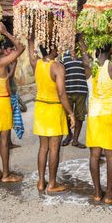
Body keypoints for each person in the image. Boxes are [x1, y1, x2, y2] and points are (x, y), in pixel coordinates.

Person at [79, 29, 112, 203]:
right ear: (111, 49)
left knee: (94, 155)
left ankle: (97, 192)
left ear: (96, 48)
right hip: (110, 116)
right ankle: (109, 195)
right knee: (111, 156)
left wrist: (82, 32)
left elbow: (82, 47)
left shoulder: (89, 65)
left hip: (95, 116)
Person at [28, 37, 75, 193]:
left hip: (41, 109)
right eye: (57, 47)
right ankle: (52, 183)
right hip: (54, 109)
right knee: (54, 149)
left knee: (43, 148)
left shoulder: (37, 63)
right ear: (53, 49)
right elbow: (62, 93)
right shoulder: (57, 67)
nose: (59, 49)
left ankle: (41, 182)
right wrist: (71, 113)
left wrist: (31, 38)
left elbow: (30, 51)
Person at [0, 22, 25, 182]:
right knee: (3, 141)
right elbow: (20, 48)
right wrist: (6, 33)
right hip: (1, 103)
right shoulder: (0, 63)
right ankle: (6, 174)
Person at [61, 45, 88, 149]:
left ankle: (75, 140)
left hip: (81, 90)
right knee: (67, 115)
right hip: (68, 90)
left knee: (79, 117)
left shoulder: (84, 55)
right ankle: (69, 135)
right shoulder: (64, 56)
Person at [4, 40, 24, 149]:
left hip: (11, 93)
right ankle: (6, 144)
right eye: (10, 49)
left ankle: (9, 143)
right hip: (8, 94)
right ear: (5, 50)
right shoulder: (5, 62)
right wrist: (14, 65)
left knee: (10, 121)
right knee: (8, 121)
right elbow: (9, 77)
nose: (12, 51)